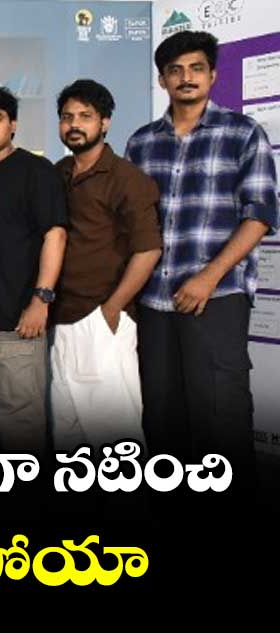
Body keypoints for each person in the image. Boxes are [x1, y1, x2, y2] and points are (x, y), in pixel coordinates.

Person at [126, 31, 277, 487]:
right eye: (175, 70)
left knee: (220, 417)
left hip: (217, 297)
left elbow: (260, 215)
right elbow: (133, 224)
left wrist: (208, 277)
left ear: (212, 75)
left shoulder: (243, 133)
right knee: (162, 419)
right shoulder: (141, 143)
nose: (185, 78)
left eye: (196, 68)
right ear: (162, 80)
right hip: (154, 302)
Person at [0, 85, 68, 455]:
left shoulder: (35, 171)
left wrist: (41, 299)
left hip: (20, 323)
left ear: (13, 125)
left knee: (20, 427)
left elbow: (55, 235)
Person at [52, 79, 161, 451]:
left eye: (85, 116)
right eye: (67, 117)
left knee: (115, 441)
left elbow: (149, 250)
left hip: (102, 319)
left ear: (105, 122)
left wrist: (112, 309)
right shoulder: (59, 172)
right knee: (68, 434)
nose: (74, 125)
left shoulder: (127, 179)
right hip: (63, 318)